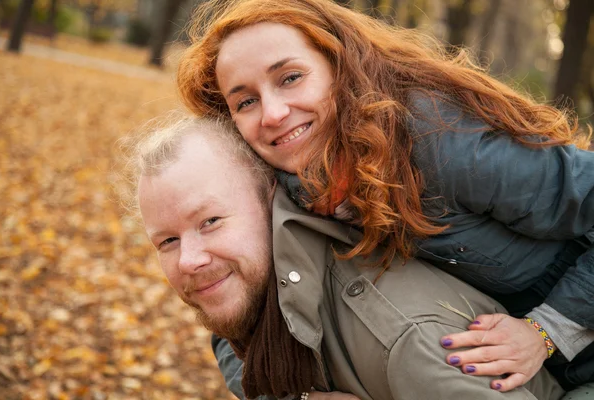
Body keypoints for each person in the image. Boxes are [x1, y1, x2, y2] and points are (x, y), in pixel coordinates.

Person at [176, 0, 594, 394]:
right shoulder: (270, 185)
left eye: (290, 78)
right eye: (246, 101)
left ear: (341, 67)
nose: (272, 113)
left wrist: (546, 331)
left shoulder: (440, 143)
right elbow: (236, 315)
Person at [128, 115, 565, 399]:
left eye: (209, 222)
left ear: (270, 200)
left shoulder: (407, 340)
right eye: (166, 241)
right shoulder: (259, 298)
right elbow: (234, 343)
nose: (188, 261)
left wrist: (549, 331)